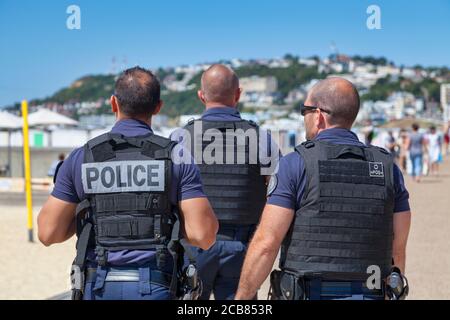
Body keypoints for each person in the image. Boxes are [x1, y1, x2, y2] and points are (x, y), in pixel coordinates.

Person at [37, 67, 218, 300]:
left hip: (99, 285)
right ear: (158, 107)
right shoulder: (177, 157)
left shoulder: (82, 157)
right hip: (156, 285)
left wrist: (89, 215)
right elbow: (204, 236)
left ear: (113, 103)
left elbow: (48, 233)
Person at [235, 77, 411, 300]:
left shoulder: (295, 164)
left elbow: (267, 243)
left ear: (318, 115)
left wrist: (242, 297)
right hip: (370, 291)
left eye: (304, 111)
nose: (304, 118)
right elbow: (398, 246)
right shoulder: (388, 168)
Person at [171, 64, 279, 300]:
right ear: (238, 94)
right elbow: (277, 198)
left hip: (194, 246)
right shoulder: (262, 138)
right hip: (243, 247)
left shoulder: (180, 139)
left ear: (201, 96)